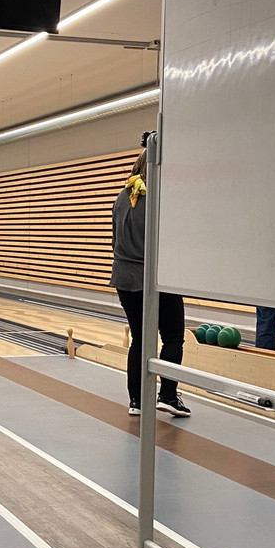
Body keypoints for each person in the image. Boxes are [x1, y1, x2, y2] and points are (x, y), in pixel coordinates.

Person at [110, 142, 190, 417]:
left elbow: (115, 242)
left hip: (125, 278)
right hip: (157, 278)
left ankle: (137, 401)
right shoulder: (160, 196)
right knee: (173, 338)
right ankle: (167, 395)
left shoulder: (122, 196)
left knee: (140, 339)